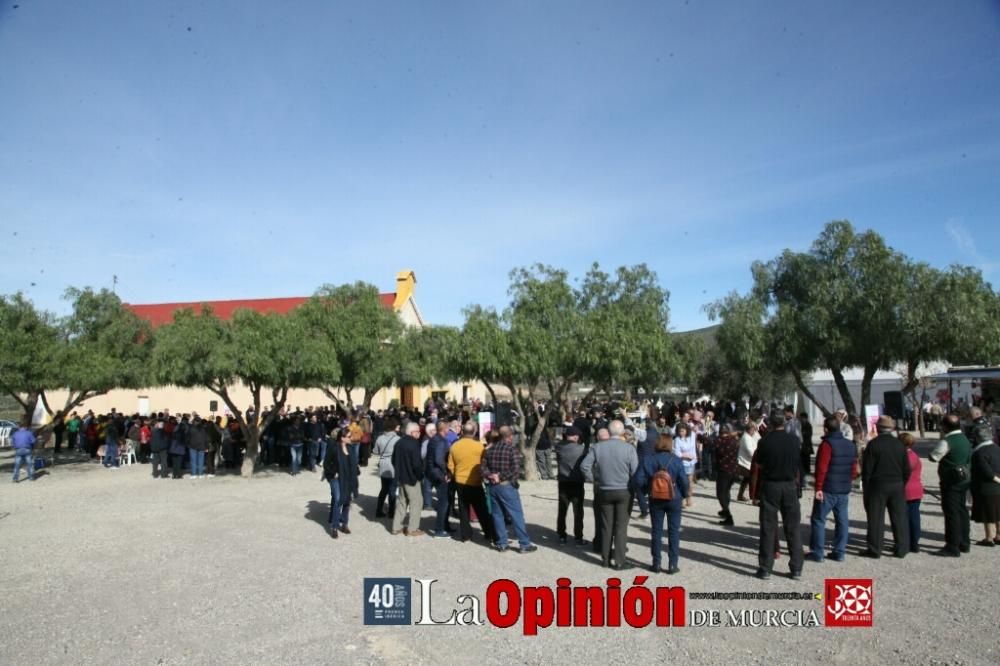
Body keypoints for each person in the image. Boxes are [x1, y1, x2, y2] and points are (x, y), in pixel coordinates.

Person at [581, 420, 639, 570]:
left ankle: (605, 559)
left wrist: (593, 479)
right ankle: (619, 560)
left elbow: (584, 466)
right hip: (624, 490)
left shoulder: (597, 447)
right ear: (622, 432)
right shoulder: (629, 448)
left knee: (606, 525)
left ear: (609, 431)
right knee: (621, 527)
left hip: (604, 490)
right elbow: (635, 471)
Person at [754, 411, 804, 580]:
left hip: (771, 485)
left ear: (770, 424)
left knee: (768, 527)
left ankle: (766, 567)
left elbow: (759, 463)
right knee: (793, 527)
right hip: (790, 485)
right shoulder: (794, 440)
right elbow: (798, 462)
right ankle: (796, 567)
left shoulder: (765, 442)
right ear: (784, 422)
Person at [633, 433, 689, 574]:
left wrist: (648, 488)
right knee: (673, 531)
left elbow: (638, 480)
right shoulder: (676, 460)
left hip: (655, 498)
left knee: (656, 531)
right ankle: (672, 564)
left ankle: (656, 563)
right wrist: (683, 495)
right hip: (674, 498)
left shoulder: (648, 459)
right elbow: (684, 481)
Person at [807, 416, 858, 562]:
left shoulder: (827, 444)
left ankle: (817, 552)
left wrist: (818, 487)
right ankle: (839, 551)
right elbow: (854, 467)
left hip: (828, 488)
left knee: (818, 519)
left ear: (825, 428)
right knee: (842, 520)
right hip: (843, 488)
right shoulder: (850, 444)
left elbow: (821, 468)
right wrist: (849, 480)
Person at [860, 415, 910, 558]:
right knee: (899, 517)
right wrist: (902, 482)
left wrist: (866, 487)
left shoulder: (873, 445)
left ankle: (875, 549)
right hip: (897, 484)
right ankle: (901, 548)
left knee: (876, 518)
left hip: (878, 485)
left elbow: (867, 470)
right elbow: (907, 469)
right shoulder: (899, 445)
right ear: (892, 428)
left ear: (877, 428)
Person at [482, 426, 538, 553]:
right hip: (506, 485)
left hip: (493, 485)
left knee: (497, 515)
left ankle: (502, 543)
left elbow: (482, 468)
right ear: (510, 436)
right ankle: (524, 544)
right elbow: (515, 470)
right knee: (516, 515)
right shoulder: (512, 450)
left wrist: (491, 475)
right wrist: (500, 476)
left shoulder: (489, 450)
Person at [929, 414, 973, 556]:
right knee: (962, 510)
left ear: (945, 426)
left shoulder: (947, 441)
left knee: (951, 512)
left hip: (951, 480)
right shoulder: (964, 439)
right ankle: (964, 542)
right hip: (964, 478)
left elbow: (934, 457)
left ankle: (952, 545)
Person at [447, 421, 494, 543]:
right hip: (475, 481)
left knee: (463, 508)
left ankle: (466, 535)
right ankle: (489, 533)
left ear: (462, 432)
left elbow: (450, 465)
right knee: (482, 509)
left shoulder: (454, 446)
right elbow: (484, 463)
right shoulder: (479, 446)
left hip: (460, 481)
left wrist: (455, 474)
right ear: (474, 432)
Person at [391, 422, 426, 536]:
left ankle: (396, 527)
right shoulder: (414, 444)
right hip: (412, 479)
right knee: (417, 502)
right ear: (412, 432)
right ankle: (412, 528)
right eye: (418, 431)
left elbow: (393, 460)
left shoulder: (398, 442)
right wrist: (420, 476)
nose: (420, 433)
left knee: (402, 501)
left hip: (401, 477)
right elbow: (417, 464)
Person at [555, 426, 588, 545]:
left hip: (563, 481)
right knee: (578, 510)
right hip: (577, 482)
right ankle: (578, 536)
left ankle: (561, 535)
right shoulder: (582, 449)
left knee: (562, 509)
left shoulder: (558, 447)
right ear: (575, 436)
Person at [970, 423, 1000, 547]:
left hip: (986, 487)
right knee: (998, 512)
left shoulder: (979, 452)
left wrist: (997, 479)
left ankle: (989, 538)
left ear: (977, 438)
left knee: (988, 514)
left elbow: (985, 471)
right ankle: (998, 535)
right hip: (998, 488)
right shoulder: (997, 448)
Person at [322, 428, 352, 538]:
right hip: (335, 478)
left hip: (347, 478)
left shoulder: (350, 448)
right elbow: (326, 464)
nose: (351, 438)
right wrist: (333, 472)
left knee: (347, 500)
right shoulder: (334, 448)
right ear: (342, 438)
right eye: (349, 436)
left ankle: (344, 524)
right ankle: (334, 526)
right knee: (338, 499)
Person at [425, 422, 451, 537]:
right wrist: (446, 471)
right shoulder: (441, 441)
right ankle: (439, 529)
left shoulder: (434, 439)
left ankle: (444, 525)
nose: (449, 430)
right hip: (439, 474)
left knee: (443, 501)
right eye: (448, 428)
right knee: (443, 502)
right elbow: (439, 459)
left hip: (432, 472)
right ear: (444, 429)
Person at [373, 418, 401, 519]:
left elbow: (375, 452)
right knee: (392, 489)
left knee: (384, 488)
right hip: (393, 465)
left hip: (383, 464)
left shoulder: (380, 438)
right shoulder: (397, 439)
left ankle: (378, 510)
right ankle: (391, 512)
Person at [714, 424, 740, 526]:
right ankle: (725, 510)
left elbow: (706, 440)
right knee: (726, 491)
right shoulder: (734, 440)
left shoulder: (719, 441)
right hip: (733, 469)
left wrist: (706, 428)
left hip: (723, 470)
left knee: (721, 493)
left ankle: (728, 515)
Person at [673, 422, 697, 507]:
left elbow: (695, 429)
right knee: (681, 482)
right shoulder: (677, 440)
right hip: (682, 463)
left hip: (691, 462)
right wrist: (687, 455)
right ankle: (681, 499)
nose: (681, 433)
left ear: (686, 430)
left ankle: (689, 498)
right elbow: (677, 453)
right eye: (679, 431)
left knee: (690, 482)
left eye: (682, 431)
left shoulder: (692, 436)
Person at [736, 421, 759, 501]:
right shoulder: (746, 437)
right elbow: (750, 451)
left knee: (746, 480)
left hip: (749, 462)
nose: (755, 432)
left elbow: (758, 439)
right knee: (753, 481)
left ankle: (740, 495)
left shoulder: (750, 436)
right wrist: (757, 457)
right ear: (750, 429)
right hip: (745, 462)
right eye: (754, 430)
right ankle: (754, 498)